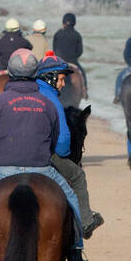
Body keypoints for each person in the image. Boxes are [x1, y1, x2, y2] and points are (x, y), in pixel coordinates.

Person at [0, 50, 88, 261]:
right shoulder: (49, 104)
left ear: (10, 71)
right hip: (42, 170)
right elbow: (58, 147)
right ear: (35, 73)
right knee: (70, 196)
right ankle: (77, 250)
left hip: (2, 171)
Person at [36, 52, 104, 238]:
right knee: (78, 176)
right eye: (61, 79)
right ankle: (86, 222)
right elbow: (63, 142)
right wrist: (64, 153)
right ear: (49, 78)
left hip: (11, 152)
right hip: (43, 153)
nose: (63, 84)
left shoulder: (23, 91)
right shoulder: (51, 98)